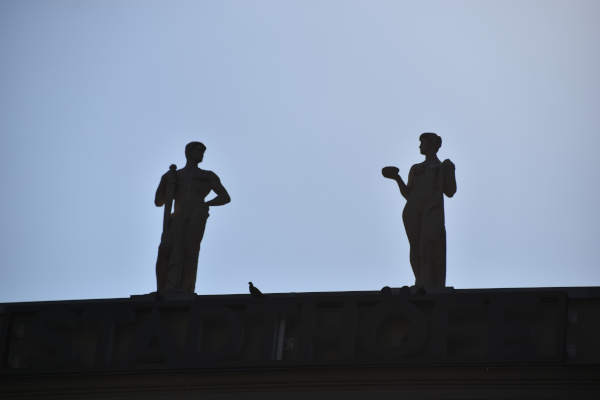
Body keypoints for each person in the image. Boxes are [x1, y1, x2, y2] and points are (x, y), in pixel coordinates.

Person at [382, 133, 456, 291]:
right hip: (412, 211)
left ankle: (431, 283)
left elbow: (450, 191)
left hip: (432, 209)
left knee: (428, 244)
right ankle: (420, 281)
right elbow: (408, 194)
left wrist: (449, 171)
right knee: (415, 247)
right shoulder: (416, 168)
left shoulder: (442, 166)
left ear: (432, 145)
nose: (420, 146)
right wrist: (396, 178)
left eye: (422, 143)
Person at [154, 142, 231, 293]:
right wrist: (167, 183)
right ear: (188, 153)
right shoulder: (174, 175)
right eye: (198, 151)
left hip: (197, 216)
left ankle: (185, 289)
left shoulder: (207, 176)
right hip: (177, 216)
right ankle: (166, 288)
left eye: (203, 152)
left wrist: (206, 204)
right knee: (168, 250)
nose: (201, 154)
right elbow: (158, 201)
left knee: (190, 251)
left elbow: (225, 197)